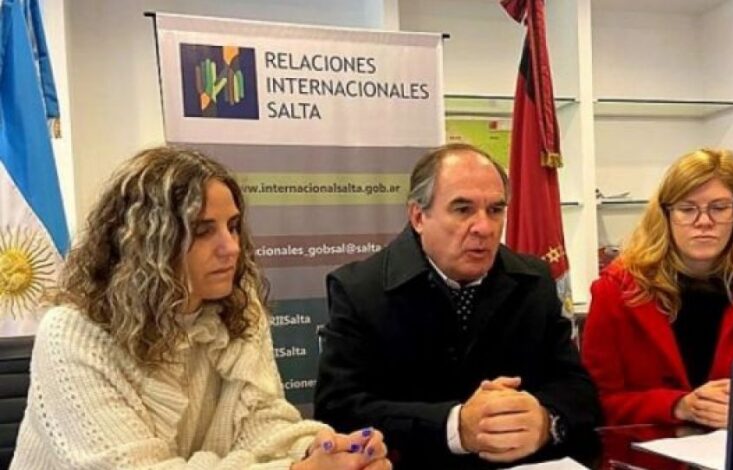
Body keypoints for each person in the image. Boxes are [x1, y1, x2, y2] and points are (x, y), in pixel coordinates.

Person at [10, 147, 391, 470]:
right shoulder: (72, 335)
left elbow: (260, 419)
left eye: (233, 226)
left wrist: (321, 451)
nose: (232, 247)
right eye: (204, 230)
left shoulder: (238, 307)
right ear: (146, 243)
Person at [314, 143, 600, 469]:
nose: (484, 228)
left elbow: (580, 391)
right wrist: (455, 426)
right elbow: (338, 411)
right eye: (463, 209)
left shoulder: (533, 280)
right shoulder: (359, 290)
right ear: (418, 216)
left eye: (496, 210)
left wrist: (546, 421)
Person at [582, 148, 733, 428]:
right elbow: (594, 404)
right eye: (687, 209)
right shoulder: (616, 292)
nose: (704, 222)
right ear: (666, 215)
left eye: (719, 208)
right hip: (645, 450)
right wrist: (678, 406)